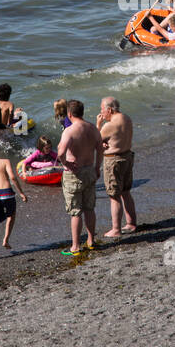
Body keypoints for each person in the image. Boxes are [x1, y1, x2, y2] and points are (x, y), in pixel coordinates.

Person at [57, 100, 103, 254]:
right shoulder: (92, 128)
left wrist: (66, 164)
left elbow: (61, 152)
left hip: (74, 174)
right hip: (89, 170)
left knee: (76, 211)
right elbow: (100, 148)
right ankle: (91, 241)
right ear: (82, 112)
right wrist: (97, 167)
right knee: (89, 208)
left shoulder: (69, 131)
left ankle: (75, 246)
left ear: (69, 114)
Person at [97, 96, 137, 237]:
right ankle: (131, 223)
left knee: (114, 196)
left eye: (102, 110)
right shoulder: (126, 118)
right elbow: (117, 137)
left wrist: (98, 124)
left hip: (114, 160)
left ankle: (116, 229)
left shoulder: (109, 126)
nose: (101, 113)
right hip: (127, 156)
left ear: (109, 109)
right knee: (126, 191)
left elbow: (94, 141)